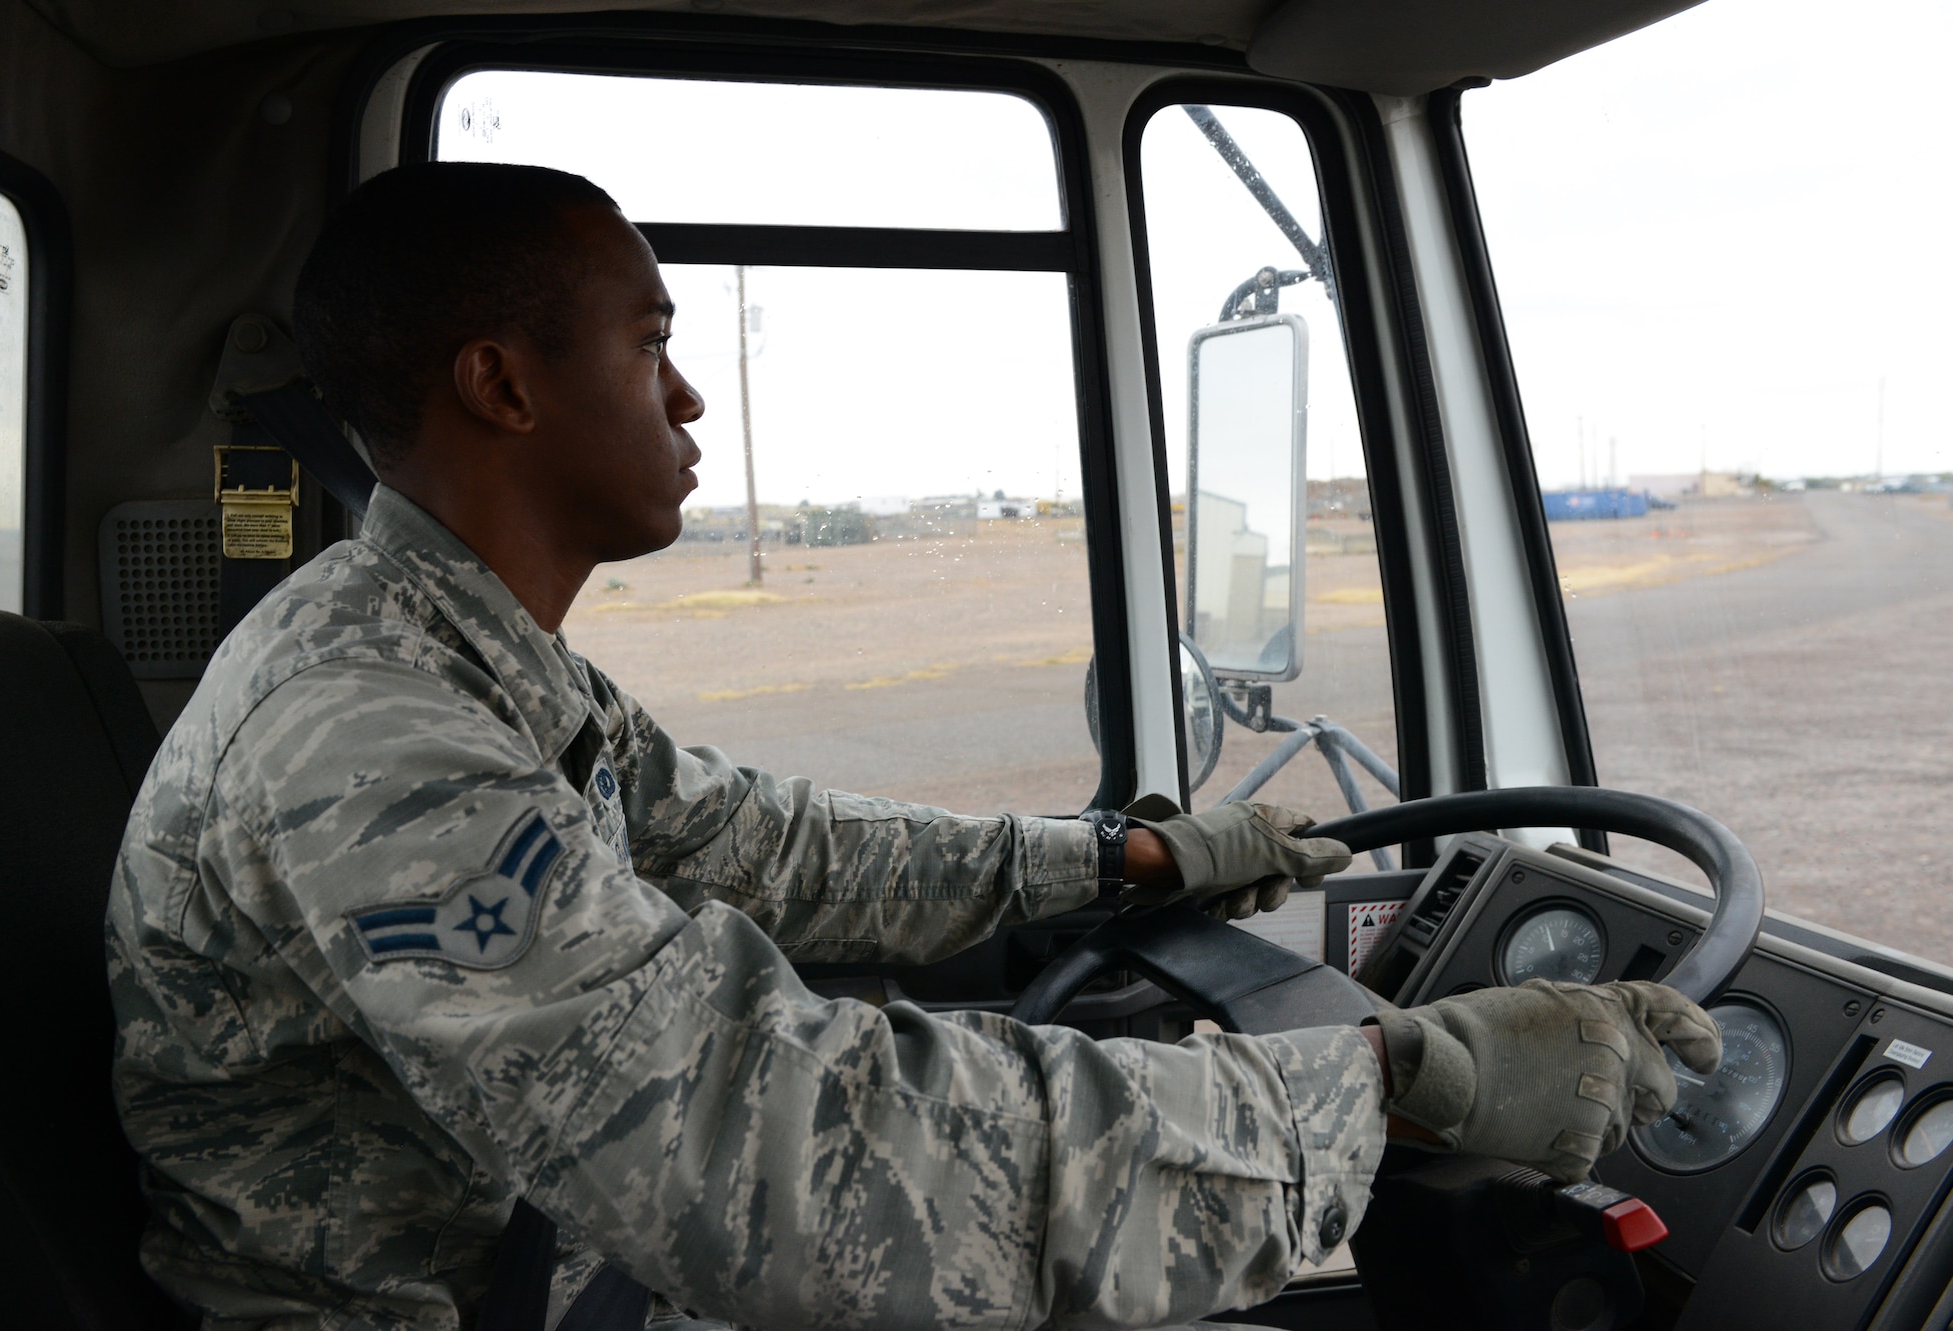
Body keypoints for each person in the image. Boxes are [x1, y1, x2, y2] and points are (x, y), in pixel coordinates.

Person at [107, 162, 1722, 1331]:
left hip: (527, 1258)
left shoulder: (464, 658)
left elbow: (767, 850)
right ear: (502, 385)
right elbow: (776, 1157)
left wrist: (1126, 859)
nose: (688, 401)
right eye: (649, 341)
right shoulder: (374, 736)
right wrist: (1381, 1083)